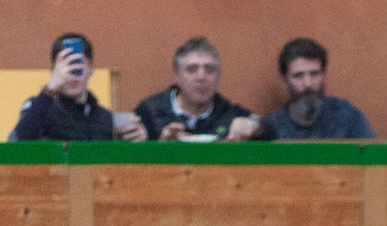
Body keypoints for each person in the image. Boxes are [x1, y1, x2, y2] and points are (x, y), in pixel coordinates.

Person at [11, 33, 144, 142]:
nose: (73, 75)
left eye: (78, 65)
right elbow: (21, 141)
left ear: (91, 69)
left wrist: (138, 141)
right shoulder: (40, 108)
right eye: (66, 66)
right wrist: (50, 88)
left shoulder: (104, 117)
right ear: (53, 71)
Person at [134, 37, 262, 142]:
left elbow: (268, 127)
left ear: (219, 76)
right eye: (192, 69)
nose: (201, 77)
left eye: (209, 69)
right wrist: (160, 147)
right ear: (176, 76)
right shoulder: (149, 112)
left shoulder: (229, 113)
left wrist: (256, 126)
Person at [262, 38, 376, 139]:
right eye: (298, 76)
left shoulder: (347, 117)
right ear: (284, 81)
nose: (307, 84)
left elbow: (373, 158)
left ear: (324, 76)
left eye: (314, 74)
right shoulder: (272, 128)